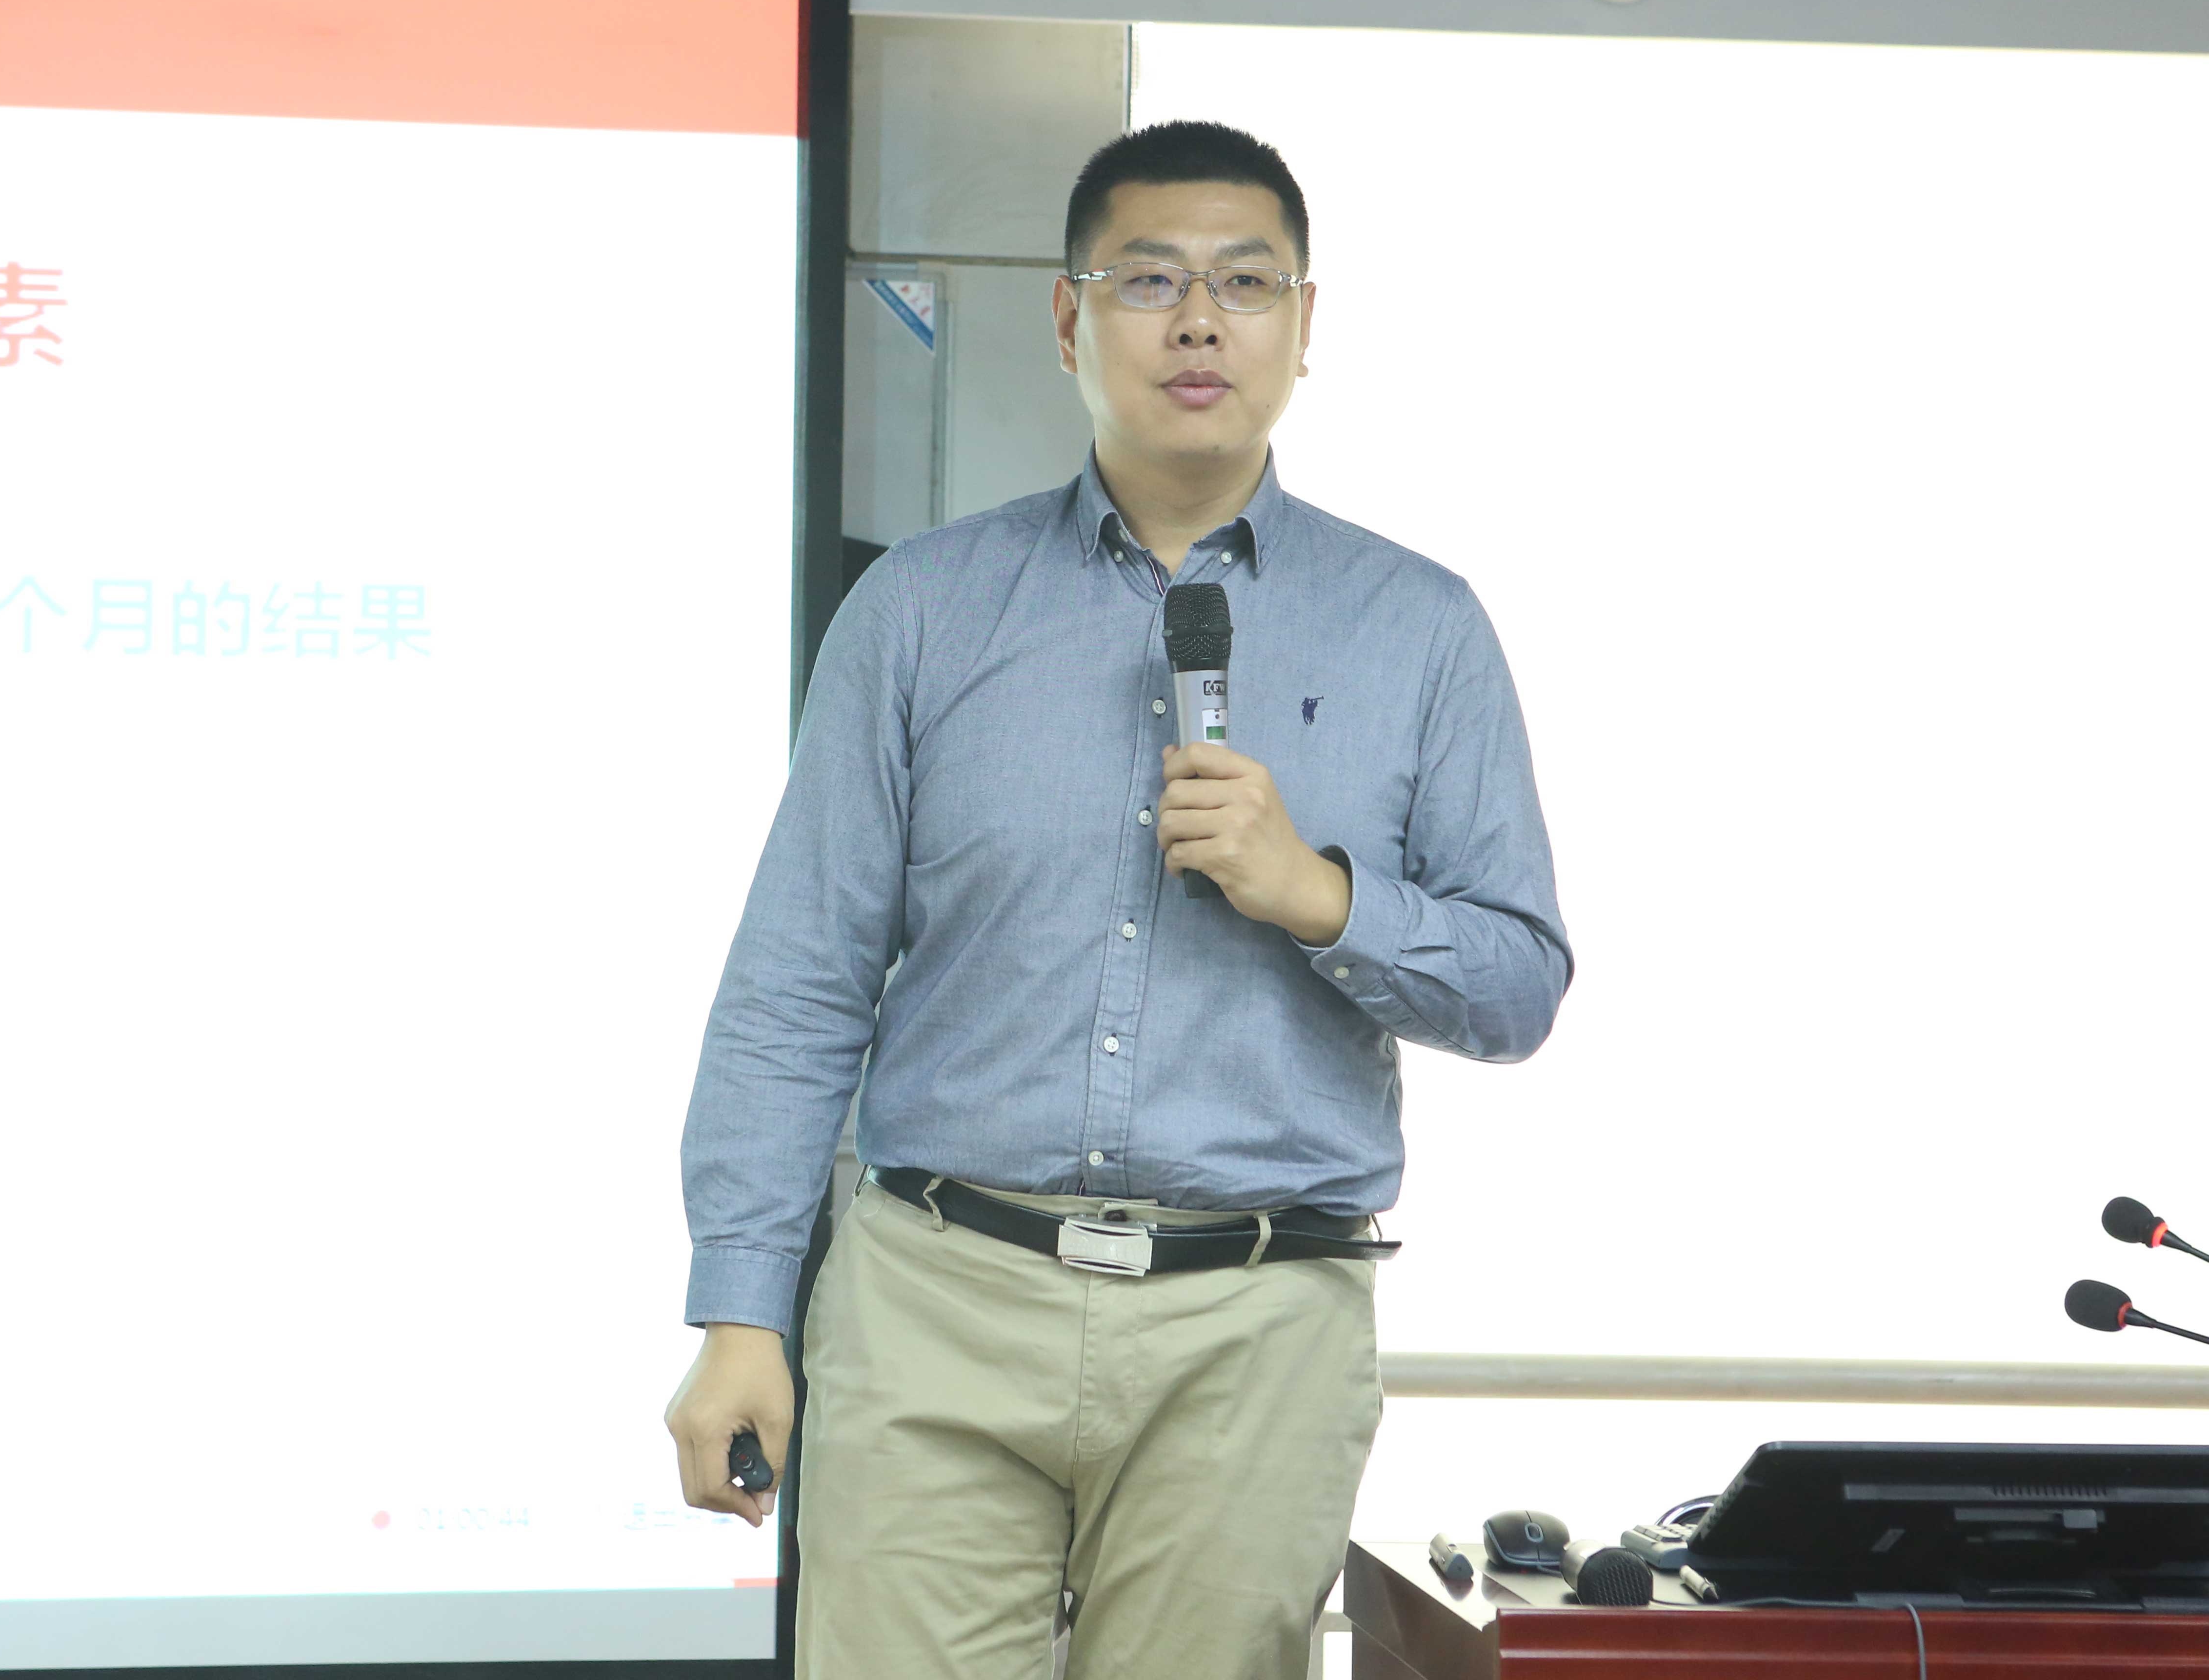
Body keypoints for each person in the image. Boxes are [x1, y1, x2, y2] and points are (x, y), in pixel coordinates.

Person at [665, 120, 1570, 1679]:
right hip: (940, 1293)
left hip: (1255, 1324)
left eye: (1245, 283)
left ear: (1304, 324)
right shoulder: (922, 610)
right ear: (1070, 320)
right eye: (1149, 280)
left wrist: (1320, 896)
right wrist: (741, 1310)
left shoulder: (1421, 629)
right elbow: (800, 978)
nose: (1199, 322)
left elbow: (1518, 984)